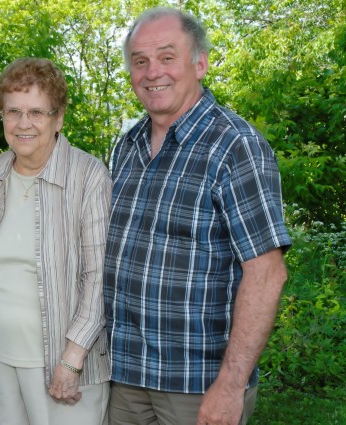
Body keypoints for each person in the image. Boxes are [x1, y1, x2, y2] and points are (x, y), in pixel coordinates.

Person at [104, 7, 292, 425]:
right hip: (125, 377)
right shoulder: (127, 146)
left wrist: (230, 385)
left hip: (197, 385)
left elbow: (266, 274)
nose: (153, 72)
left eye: (167, 57)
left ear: (199, 63)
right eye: (140, 61)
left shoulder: (235, 146)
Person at [0, 57, 112, 425]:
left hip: (63, 364)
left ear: (58, 118)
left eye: (37, 112)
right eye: (13, 111)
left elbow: (99, 277)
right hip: (4, 359)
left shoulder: (88, 176)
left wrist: (71, 360)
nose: (23, 124)